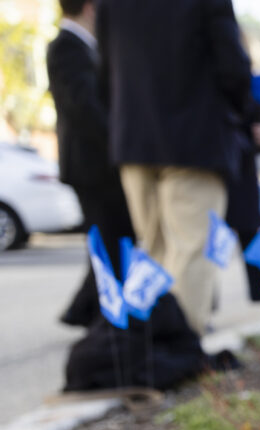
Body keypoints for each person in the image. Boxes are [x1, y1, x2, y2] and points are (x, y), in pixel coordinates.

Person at [96, 0, 253, 335]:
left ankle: (152, 354)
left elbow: (105, 71)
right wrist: (243, 112)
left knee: (152, 249)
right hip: (194, 139)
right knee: (192, 249)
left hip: (134, 139)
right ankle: (178, 354)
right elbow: (233, 66)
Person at [47, 0, 135, 327]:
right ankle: (97, 315)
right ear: (90, 8)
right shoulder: (66, 47)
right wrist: (120, 143)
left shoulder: (83, 47)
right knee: (107, 239)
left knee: (109, 238)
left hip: (98, 164)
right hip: (90, 165)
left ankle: (87, 310)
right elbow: (84, 107)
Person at [226, 70, 260, 303]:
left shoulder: (257, 88)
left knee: (251, 235)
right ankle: (202, 307)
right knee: (204, 242)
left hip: (243, 172)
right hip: (214, 168)